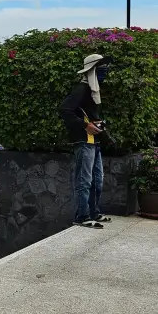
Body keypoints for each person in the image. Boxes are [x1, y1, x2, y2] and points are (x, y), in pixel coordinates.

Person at [60, 53, 112, 229]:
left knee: (97, 179)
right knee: (85, 179)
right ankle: (81, 216)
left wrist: (96, 123)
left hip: (93, 141)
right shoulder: (81, 89)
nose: (105, 72)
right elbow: (65, 110)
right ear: (93, 70)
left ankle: (94, 212)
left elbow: (87, 115)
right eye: (102, 69)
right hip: (83, 141)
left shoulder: (92, 90)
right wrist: (85, 126)